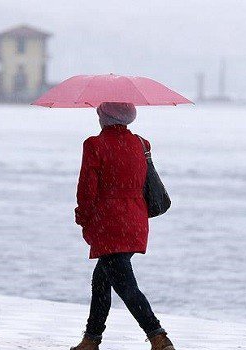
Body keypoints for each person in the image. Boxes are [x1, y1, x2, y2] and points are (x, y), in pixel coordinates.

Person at [71, 102, 175, 350]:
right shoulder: (141, 143)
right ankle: (91, 339)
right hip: (135, 222)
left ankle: (158, 336)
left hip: (108, 224)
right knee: (101, 281)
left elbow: (87, 189)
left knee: (126, 286)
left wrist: (83, 218)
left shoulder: (94, 145)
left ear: (103, 117)